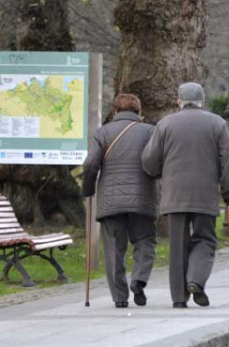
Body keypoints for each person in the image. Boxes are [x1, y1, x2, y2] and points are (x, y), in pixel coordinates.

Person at [141, 83, 229, 309]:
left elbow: (149, 161)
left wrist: (159, 173)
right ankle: (195, 280)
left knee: (177, 245)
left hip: (174, 193)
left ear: (179, 101)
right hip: (205, 193)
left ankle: (178, 298)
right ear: (202, 101)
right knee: (205, 239)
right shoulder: (218, 123)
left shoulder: (165, 124)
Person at [81, 94, 158, 309]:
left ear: (115, 111)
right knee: (145, 241)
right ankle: (139, 279)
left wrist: (88, 190)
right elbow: (156, 163)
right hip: (141, 198)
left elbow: (90, 165)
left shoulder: (103, 133)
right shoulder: (150, 132)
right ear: (138, 111)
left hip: (110, 201)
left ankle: (120, 297)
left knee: (114, 249)